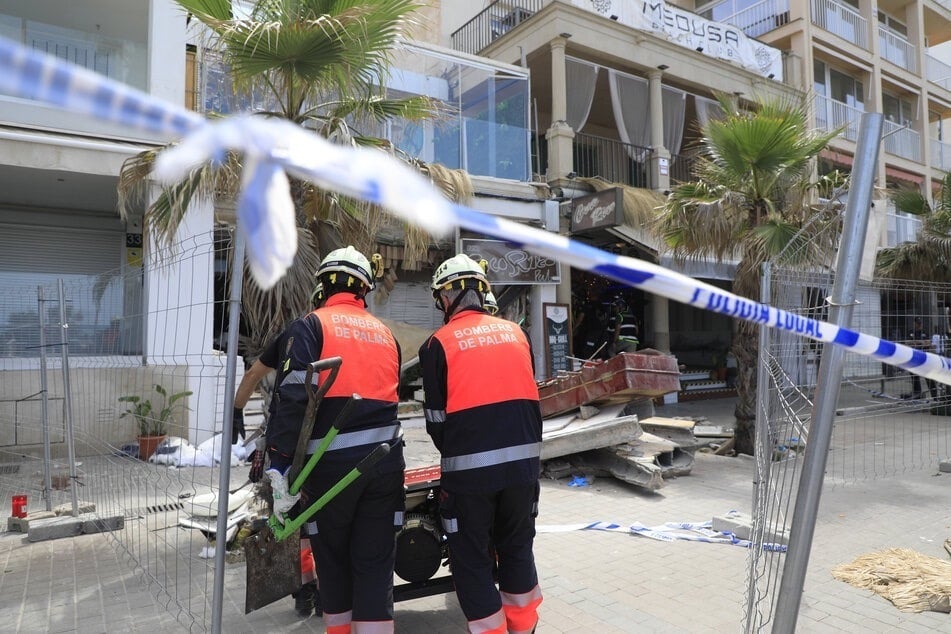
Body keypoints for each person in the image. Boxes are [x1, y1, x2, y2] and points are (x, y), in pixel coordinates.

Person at [265, 246, 404, 633]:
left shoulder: (310, 326)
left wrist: (278, 465)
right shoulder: (386, 333)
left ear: (322, 286)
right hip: (384, 466)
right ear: (364, 289)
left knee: (334, 565)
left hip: (328, 473)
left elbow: (292, 398)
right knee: (375, 567)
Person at [419, 254, 543, 634]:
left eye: (440, 296)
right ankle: (523, 626)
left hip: (470, 480)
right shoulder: (516, 333)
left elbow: (437, 423)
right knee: (517, 548)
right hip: (523, 471)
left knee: (471, 559)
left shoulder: (437, 344)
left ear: (450, 295)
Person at [231, 282, 324, 617]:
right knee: (322, 521)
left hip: (288, 443)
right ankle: (325, 589)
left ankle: (304, 589)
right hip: (328, 445)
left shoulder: (292, 334)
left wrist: (236, 409)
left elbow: (255, 372)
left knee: (291, 518)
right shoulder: (334, 336)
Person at [904, 317, 937, 400]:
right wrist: (920, 342)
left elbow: (929, 343)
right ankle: (917, 394)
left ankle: (935, 395)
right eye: (917, 323)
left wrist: (916, 343)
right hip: (914, 357)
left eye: (920, 323)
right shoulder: (911, 332)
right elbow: (907, 343)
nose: (919, 325)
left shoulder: (924, 332)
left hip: (924, 357)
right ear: (914, 323)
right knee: (915, 377)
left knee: (928, 376)